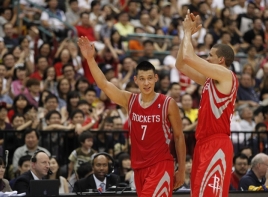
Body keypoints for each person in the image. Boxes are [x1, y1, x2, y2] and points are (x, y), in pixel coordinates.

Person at [78, 36, 186, 196]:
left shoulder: (167, 103)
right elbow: (104, 84)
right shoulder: (130, 100)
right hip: (139, 167)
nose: (147, 83)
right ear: (136, 80)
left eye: (150, 78)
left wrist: (182, 170)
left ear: (156, 78)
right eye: (142, 79)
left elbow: (179, 137)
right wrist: (90, 59)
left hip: (160, 166)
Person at [176, 10, 238, 197]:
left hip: (217, 142)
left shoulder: (225, 75)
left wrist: (187, 32)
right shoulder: (210, 80)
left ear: (221, 60)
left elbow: (189, 58)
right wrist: (185, 37)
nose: (207, 58)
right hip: (202, 143)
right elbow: (181, 64)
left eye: (210, 55)